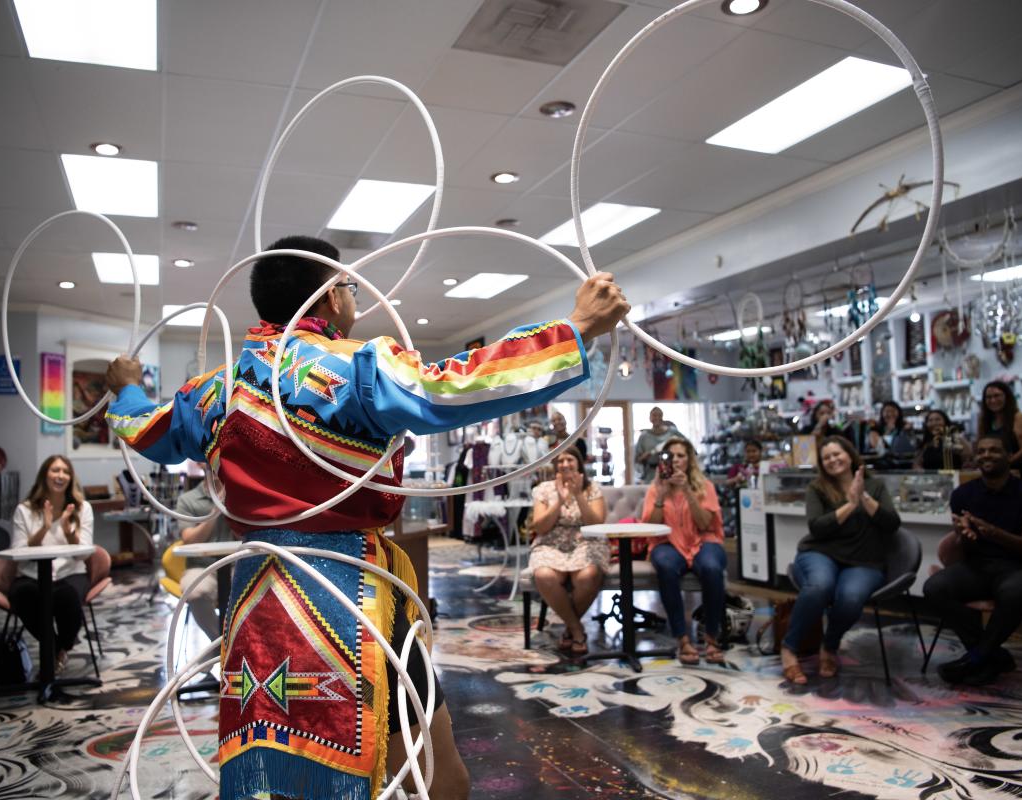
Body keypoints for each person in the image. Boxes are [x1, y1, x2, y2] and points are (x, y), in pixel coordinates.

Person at [105, 234, 629, 800]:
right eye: (350, 288)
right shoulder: (354, 365)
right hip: (354, 597)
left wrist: (127, 387)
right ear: (332, 296)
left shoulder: (216, 391)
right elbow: (454, 385)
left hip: (258, 599)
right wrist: (574, 328)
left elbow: (146, 428)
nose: (355, 300)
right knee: (440, 774)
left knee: (277, 765)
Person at [924, 434, 1022, 686]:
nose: (986, 455)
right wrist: (965, 536)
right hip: (977, 566)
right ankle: (991, 654)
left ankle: (977, 657)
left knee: (1013, 594)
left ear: (1008, 455)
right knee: (934, 587)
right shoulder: (963, 494)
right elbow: (964, 545)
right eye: (981, 451)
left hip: (1020, 567)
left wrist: (992, 531)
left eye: (994, 450)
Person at [780, 436, 899, 685]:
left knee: (851, 597)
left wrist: (863, 497)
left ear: (850, 454)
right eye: (827, 458)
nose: (833, 460)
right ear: (822, 464)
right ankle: (789, 648)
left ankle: (830, 646)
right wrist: (850, 504)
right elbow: (817, 527)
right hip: (820, 554)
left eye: (837, 454)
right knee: (820, 587)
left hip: (864, 561)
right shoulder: (817, 488)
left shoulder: (874, 485)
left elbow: (891, 524)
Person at [643, 437, 726, 665]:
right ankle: (682, 638)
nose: (677, 460)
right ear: (663, 461)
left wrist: (688, 491)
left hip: (704, 539)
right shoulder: (655, 488)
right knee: (666, 565)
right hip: (667, 542)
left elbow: (704, 524)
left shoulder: (705, 487)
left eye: (681, 455)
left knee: (711, 567)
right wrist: (661, 495)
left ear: (690, 460)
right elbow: (651, 527)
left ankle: (711, 635)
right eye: (672, 456)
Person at [8, 455, 94, 675]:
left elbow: (83, 554)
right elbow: (18, 552)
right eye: (55, 470)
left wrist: (68, 532)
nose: (61, 476)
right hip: (32, 573)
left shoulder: (82, 508)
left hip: (70, 571)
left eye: (66, 471)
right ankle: (56, 649)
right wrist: (44, 528)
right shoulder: (24, 510)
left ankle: (61, 648)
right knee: (23, 594)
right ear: (44, 475)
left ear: (71, 478)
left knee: (68, 597)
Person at [528, 447, 607, 656]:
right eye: (560, 460)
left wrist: (578, 495)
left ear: (579, 463)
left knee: (588, 576)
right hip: (551, 542)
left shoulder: (592, 489)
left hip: (586, 541)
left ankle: (570, 629)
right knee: (544, 575)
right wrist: (560, 501)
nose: (564, 464)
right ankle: (577, 630)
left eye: (569, 459)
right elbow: (540, 527)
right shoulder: (544, 489)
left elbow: (596, 524)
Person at [174, 479, 234, 641]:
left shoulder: (241, 494)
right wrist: (215, 511)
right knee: (195, 592)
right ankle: (220, 643)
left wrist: (234, 505)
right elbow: (189, 540)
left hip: (237, 563)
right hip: (201, 566)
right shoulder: (188, 500)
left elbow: (249, 535)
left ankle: (242, 643)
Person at [978, 380, 1022, 481]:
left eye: (997, 396)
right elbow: (979, 445)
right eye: (988, 397)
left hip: (1016, 474)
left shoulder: (1018, 418)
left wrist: (1005, 463)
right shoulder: (983, 420)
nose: (993, 400)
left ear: (1007, 397)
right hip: (991, 475)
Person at [633, 406, 678, 483]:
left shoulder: (672, 433)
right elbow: (637, 460)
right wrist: (646, 456)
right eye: (654, 415)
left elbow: (686, 446)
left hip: (670, 473)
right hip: (651, 476)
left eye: (659, 415)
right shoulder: (644, 436)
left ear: (662, 417)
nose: (656, 418)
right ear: (650, 418)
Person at [868, 401, 916, 467]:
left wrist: (907, 432)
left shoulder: (904, 427)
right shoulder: (876, 429)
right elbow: (878, 448)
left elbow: (912, 445)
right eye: (887, 411)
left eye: (893, 411)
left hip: (904, 464)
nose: (890, 414)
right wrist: (889, 431)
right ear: (882, 413)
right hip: (883, 466)